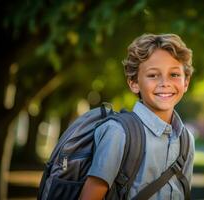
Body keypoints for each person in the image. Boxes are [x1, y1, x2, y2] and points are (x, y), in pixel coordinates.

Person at [80, 33, 195, 200]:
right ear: (134, 83)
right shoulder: (119, 132)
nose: (165, 83)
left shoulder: (186, 140)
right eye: (153, 75)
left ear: (186, 82)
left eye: (174, 74)